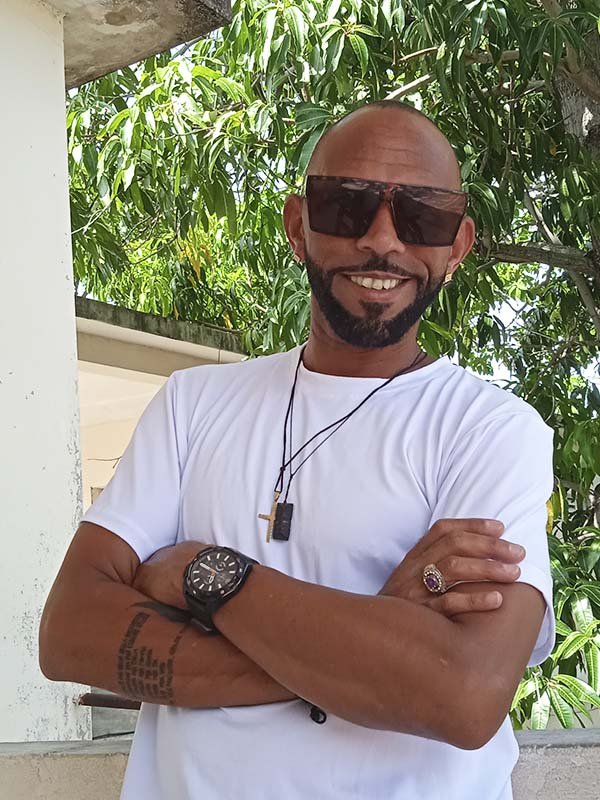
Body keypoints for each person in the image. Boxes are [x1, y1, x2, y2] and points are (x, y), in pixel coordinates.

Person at [39, 101, 554, 800]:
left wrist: (206, 575)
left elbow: (464, 696)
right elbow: (70, 632)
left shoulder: (490, 430)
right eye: (348, 206)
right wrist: (373, 636)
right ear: (297, 227)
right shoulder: (193, 404)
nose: (382, 240)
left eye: (422, 217)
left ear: (457, 246)